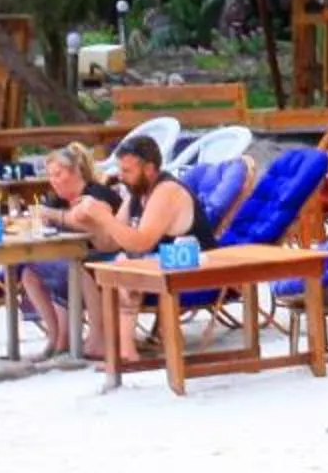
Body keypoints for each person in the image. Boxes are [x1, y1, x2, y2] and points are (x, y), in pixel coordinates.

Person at [57, 134, 200, 363]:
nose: (120, 177)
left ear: (150, 168)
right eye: (120, 170)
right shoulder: (136, 193)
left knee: (125, 266)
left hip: (193, 264)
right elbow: (110, 243)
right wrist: (91, 220)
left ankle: (126, 352)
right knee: (89, 262)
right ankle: (105, 341)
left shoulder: (166, 190)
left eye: (127, 171)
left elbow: (141, 242)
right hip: (159, 262)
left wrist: (103, 216)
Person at [15, 144, 121, 357]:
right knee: (29, 272)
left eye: (58, 174)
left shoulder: (96, 194)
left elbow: (99, 227)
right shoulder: (57, 201)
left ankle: (96, 337)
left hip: (110, 255)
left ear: (75, 173)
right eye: (50, 175)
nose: (53, 180)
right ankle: (56, 336)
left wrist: (54, 216)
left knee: (75, 267)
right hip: (77, 257)